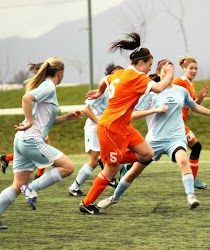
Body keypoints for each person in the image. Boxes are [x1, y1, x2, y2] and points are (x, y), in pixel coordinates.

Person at [97, 59, 210, 210]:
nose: (170, 73)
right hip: (155, 141)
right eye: (166, 70)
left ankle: (191, 196)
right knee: (133, 172)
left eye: (171, 69)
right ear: (159, 74)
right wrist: (154, 110)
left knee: (183, 161)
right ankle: (114, 198)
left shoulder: (181, 91)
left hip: (176, 138)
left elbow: (195, 107)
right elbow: (133, 113)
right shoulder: (151, 93)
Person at [79, 32, 174, 214]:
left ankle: (108, 157)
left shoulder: (120, 73)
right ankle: (86, 203)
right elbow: (159, 88)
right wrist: (169, 74)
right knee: (111, 171)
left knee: (147, 154)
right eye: (149, 65)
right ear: (140, 63)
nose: (149, 69)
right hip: (111, 127)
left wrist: (99, 93)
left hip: (124, 127)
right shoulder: (136, 77)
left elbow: (104, 81)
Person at [0, 57, 83, 230]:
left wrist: (67, 117)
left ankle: (25, 189)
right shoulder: (48, 86)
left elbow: (46, 120)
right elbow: (26, 99)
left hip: (22, 139)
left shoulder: (45, 87)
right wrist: (29, 122)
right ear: (60, 73)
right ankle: (31, 189)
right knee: (67, 167)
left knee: (17, 185)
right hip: (31, 139)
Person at [68, 63, 125, 197]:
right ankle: (74, 187)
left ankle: (110, 178)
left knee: (115, 156)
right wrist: (100, 123)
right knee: (94, 160)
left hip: (106, 130)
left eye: (121, 73)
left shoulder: (118, 91)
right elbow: (86, 109)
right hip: (94, 129)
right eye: (116, 73)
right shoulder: (104, 90)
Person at [1, 63, 52, 179]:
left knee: (43, 152)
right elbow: (27, 100)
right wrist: (30, 121)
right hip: (36, 127)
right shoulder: (42, 87)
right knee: (48, 153)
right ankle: (39, 176)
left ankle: (7, 158)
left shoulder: (40, 86)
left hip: (37, 126)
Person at [172, 55, 209, 189]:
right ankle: (127, 165)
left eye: (196, 69)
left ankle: (192, 179)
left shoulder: (190, 84)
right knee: (148, 155)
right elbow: (166, 90)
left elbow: (193, 106)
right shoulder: (179, 82)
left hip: (181, 125)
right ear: (184, 68)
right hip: (174, 124)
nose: (193, 71)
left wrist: (201, 97)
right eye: (191, 68)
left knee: (196, 147)